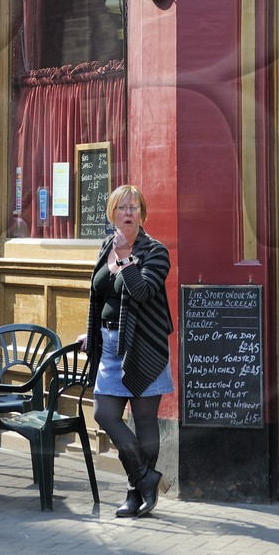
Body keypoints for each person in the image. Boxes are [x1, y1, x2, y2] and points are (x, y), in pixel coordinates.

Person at [83, 184, 173, 519]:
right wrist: (92, 332)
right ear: (112, 214)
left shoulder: (156, 251)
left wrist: (125, 259)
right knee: (104, 413)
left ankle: (135, 494)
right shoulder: (107, 245)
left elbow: (143, 292)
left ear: (142, 214)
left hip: (143, 345)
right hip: (110, 345)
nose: (128, 213)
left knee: (145, 418)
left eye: (134, 207)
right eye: (122, 208)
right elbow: (100, 294)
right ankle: (145, 478)